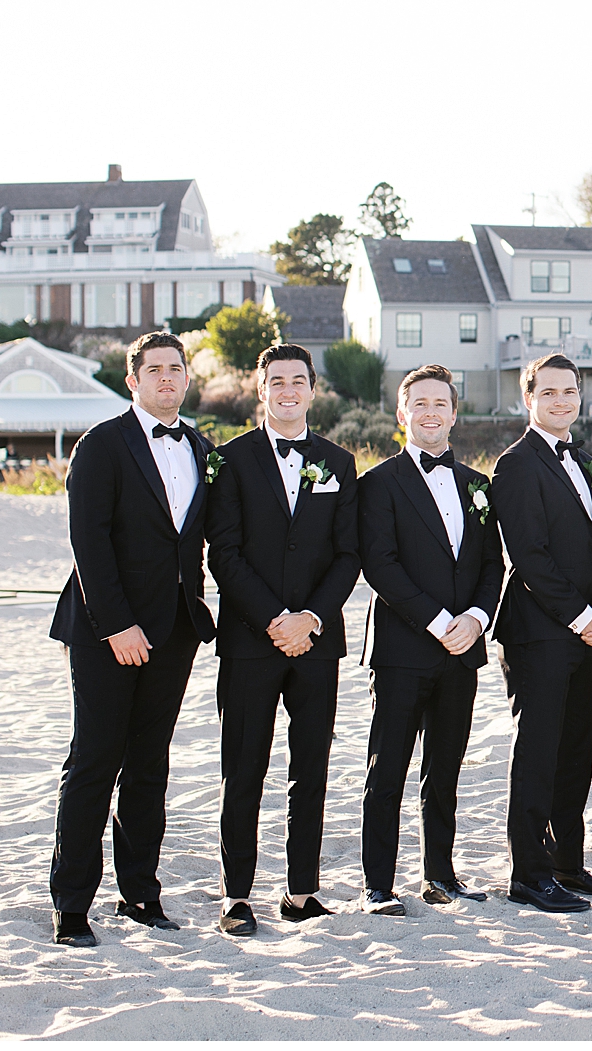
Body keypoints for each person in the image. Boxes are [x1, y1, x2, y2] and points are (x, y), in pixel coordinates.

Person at [47, 331, 219, 946]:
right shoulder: (102, 445)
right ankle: (71, 904)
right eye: (155, 370)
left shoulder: (200, 446)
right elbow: (89, 543)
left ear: (186, 380)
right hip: (105, 629)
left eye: (176, 369)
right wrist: (116, 625)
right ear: (134, 380)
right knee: (95, 759)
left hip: (174, 630)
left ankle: (140, 895)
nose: (167, 379)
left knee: (150, 765)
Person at [206, 343, 361, 936]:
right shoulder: (231, 460)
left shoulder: (339, 462)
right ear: (260, 388)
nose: (288, 390)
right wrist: (275, 619)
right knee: (243, 768)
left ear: (313, 390)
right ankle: (237, 896)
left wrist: (312, 619)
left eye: (299, 380)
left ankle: (300, 891)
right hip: (250, 640)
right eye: (277, 380)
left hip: (318, 644)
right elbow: (224, 552)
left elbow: (348, 555)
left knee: (311, 767)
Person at [356, 365, 504, 916]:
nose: (431, 412)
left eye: (440, 403)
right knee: (387, 768)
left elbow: (494, 563)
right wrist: (440, 622)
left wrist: (477, 618)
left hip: (464, 650)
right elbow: (381, 566)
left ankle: (440, 876)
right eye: (419, 403)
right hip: (402, 649)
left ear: (454, 411)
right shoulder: (377, 483)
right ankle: (377, 885)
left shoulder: (477, 485)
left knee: (445, 769)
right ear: (403, 413)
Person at [488, 354, 592, 914]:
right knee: (539, 752)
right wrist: (578, 616)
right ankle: (529, 871)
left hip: (587, 632)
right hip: (539, 632)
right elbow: (530, 555)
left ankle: (568, 861)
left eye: (570, 392)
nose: (562, 401)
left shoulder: (587, 462)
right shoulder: (515, 465)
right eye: (549, 393)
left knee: (577, 750)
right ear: (529, 399)